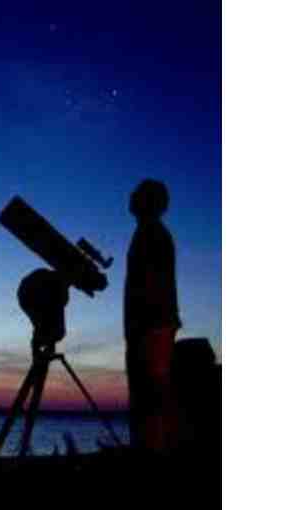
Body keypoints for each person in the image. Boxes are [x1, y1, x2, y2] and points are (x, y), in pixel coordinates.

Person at [123, 179, 181, 453]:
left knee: (150, 396)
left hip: (151, 327)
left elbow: (152, 284)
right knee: (146, 395)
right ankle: (148, 450)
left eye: (137, 195)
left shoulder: (152, 234)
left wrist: (145, 328)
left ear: (148, 202)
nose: (131, 198)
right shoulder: (148, 232)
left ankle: (152, 455)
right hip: (149, 326)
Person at [16, 268, 70, 455]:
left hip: (30, 293)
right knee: (53, 333)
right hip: (32, 293)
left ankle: (24, 442)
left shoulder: (56, 291)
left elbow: (52, 327)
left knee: (51, 333)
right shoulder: (55, 291)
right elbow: (54, 327)